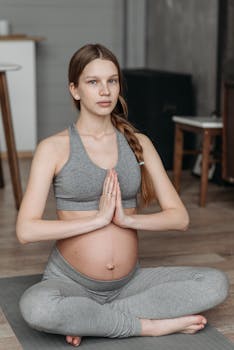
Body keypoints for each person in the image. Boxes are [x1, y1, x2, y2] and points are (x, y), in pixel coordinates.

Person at [16, 43, 229, 347]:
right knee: (37, 307)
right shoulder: (53, 148)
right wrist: (98, 220)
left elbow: (179, 218)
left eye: (112, 81)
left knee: (214, 284)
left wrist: (127, 220)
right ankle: (147, 326)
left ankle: (93, 320)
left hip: (131, 283)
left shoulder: (139, 143)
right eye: (93, 82)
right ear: (75, 90)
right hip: (70, 283)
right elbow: (26, 230)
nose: (105, 91)